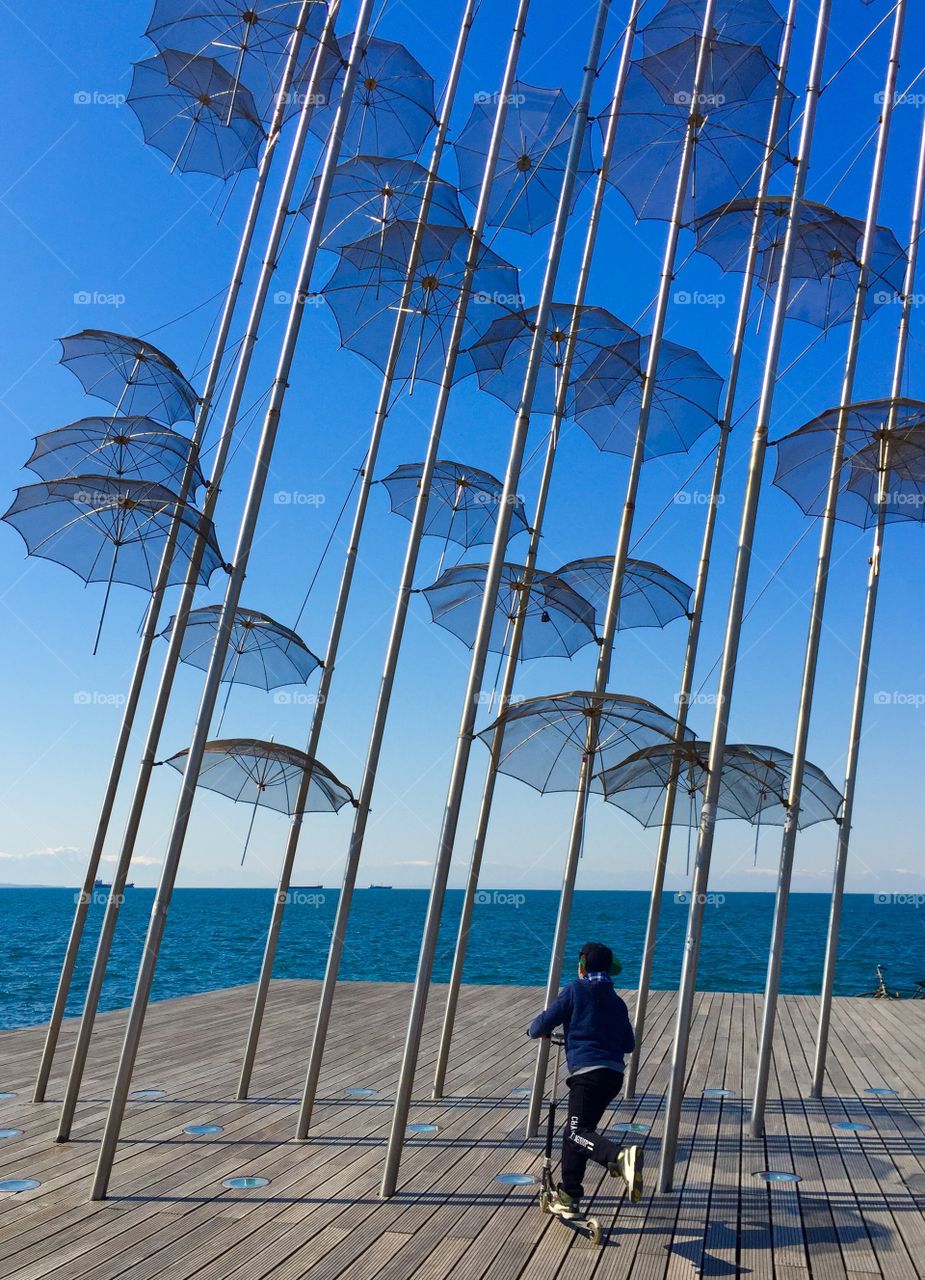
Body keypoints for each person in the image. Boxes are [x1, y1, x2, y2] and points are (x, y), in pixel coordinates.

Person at [528, 940, 641, 1218]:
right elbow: (629, 1044)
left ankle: (618, 1157)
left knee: (577, 1133)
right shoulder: (617, 1002)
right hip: (612, 1076)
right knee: (577, 1134)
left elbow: (542, 1024)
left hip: (587, 1076)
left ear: (581, 966)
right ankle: (569, 1195)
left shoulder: (575, 990)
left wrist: (537, 1031)